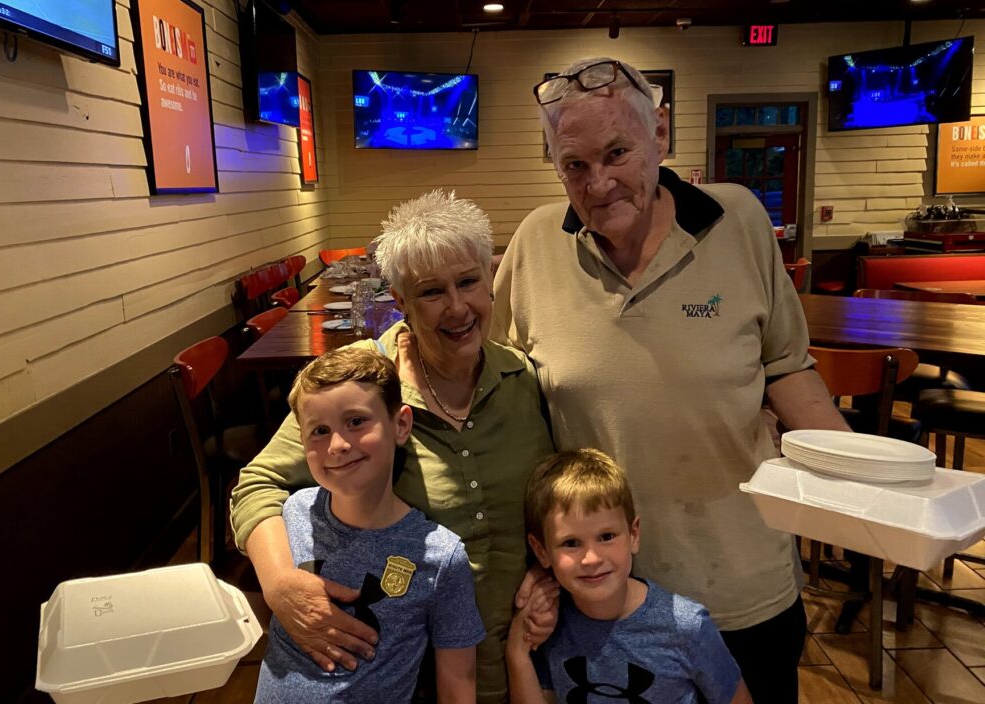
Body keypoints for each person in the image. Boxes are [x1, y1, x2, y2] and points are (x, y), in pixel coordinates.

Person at [491, 58, 851, 703]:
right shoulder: (535, 243)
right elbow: (501, 401)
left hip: (739, 581)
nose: (599, 183)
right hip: (600, 596)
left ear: (659, 132)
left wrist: (863, 476)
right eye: (574, 164)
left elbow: (787, 368)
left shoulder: (737, 219)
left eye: (617, 152)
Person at [231, 190, 556, 703]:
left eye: (469, 282)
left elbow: (560, 495)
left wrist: (550, 569)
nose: (457, 307)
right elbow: (258, 484)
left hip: (519, 654)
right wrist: (279, 584)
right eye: (431, 292)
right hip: (395, 676)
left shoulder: (523, 378)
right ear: (400, 302)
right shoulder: (360, 390)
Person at [255, 347, 484, 703]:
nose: (337, 445)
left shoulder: (443, 556)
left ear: (400, 425)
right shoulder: (293, 512)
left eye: (356, 422)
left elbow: (458, 683)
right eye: (320, 430)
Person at [507, 449, 752, 704]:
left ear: (633, 535)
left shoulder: (686, 626)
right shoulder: (547, 625)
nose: (591, 558)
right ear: (541, 551)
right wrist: (517, 651)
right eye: (571, 543)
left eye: (606, 537)